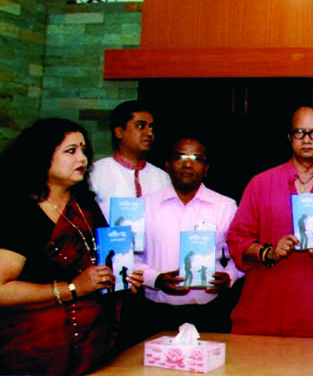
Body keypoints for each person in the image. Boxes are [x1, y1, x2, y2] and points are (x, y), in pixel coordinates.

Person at [0, 118, 143, 375]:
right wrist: (73, 288)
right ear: (41, 156)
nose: (83, 159)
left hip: (92, 350)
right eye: (71, 151)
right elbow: (1, 290)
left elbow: (98, 267)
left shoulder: (84, 205)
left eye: (84, 150)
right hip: (32, 352)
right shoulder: (18, 212)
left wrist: (120, 278)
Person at [226, 102, 313, 338]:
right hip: (261, 318)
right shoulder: (260, 184)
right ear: (289, 137)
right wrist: (269, 253)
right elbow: (236, 239)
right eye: (299, 132)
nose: (306, 139)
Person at [131, 137, 243, 342]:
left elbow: (241, 254)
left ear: (206, 168)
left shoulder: (225, 206)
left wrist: (229, 277)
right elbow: (129, 258)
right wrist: (155, 279)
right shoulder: (144, 206)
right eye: (181, 157)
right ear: (168, 165)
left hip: (210, 314)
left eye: (196, 158)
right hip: (155, 314)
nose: (188, 163)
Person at [90, 100, 170, 218]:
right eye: (140, 126)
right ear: (119, 132)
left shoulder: (162, 178)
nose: (149, 133)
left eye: (151, 128)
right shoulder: (96, 173)